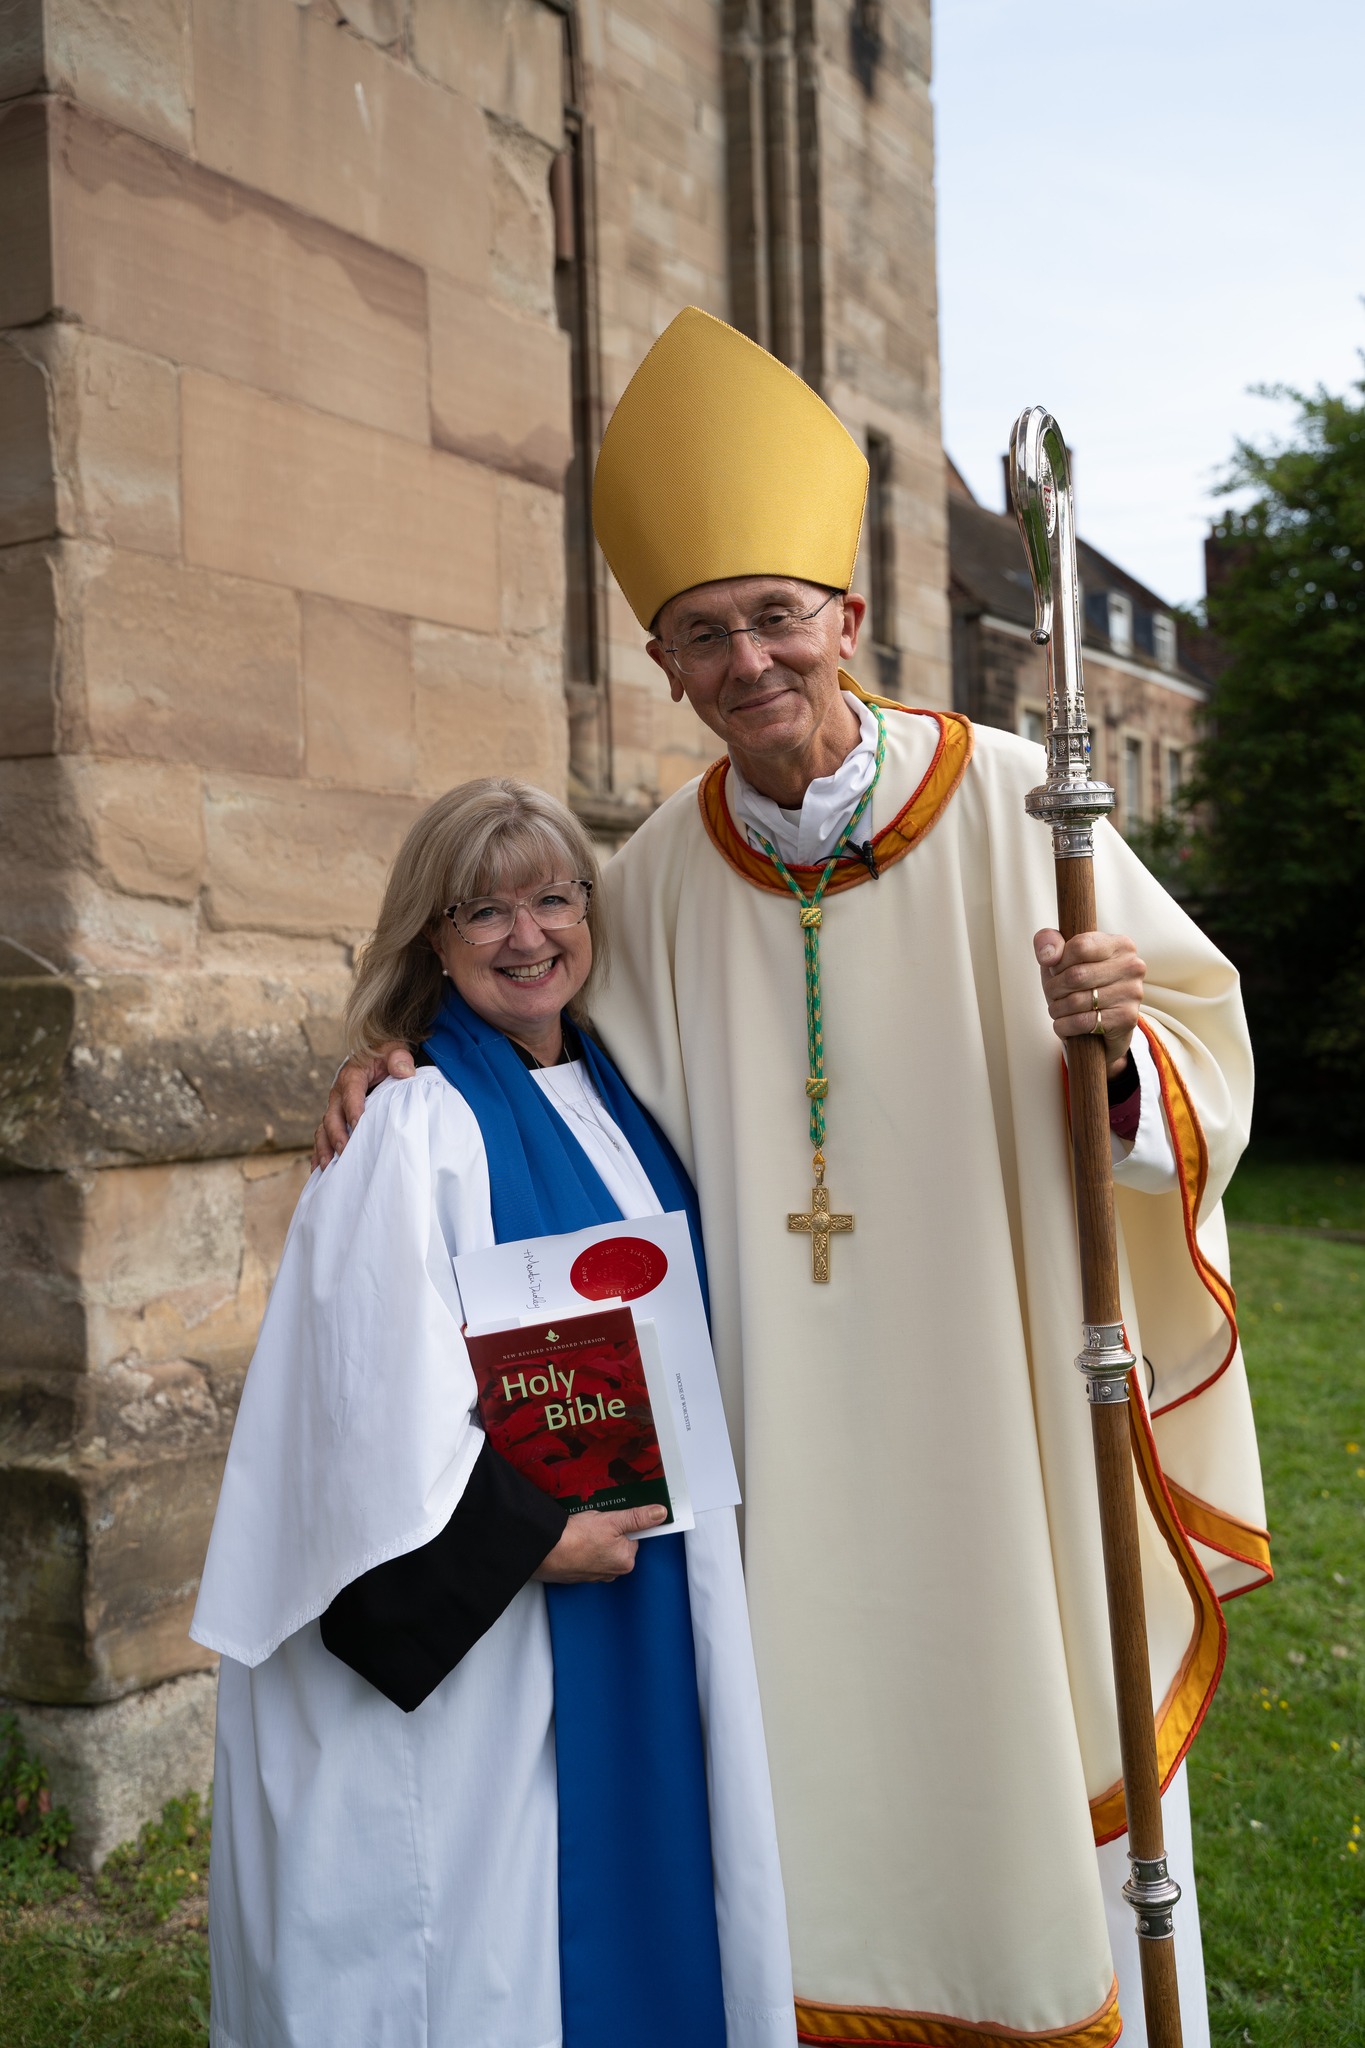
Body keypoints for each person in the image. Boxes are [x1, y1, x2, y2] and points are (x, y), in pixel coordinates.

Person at [319, 311, 1269, 2048]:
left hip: (1008, 1403)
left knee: (1034, 1734)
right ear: (665, 667)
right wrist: (404, 1061)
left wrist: (1116, 1042)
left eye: (774, 615)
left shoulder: (1017, 813)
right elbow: (531, 1037)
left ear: (845, 615)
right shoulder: (658, 875)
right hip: (779, 1438)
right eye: (703, 634)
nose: (749, 658)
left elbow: (1205, 1053)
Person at [192, 777, 796, 2048]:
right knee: (485, 1949)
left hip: (638, 1561)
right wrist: (531, 1538)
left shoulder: (621, 1087)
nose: (528, 935)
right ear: (431, 938)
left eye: (553, 897)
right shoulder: (414, 1122)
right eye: (483, 910)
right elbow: (353, 1406)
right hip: (499, 1620)